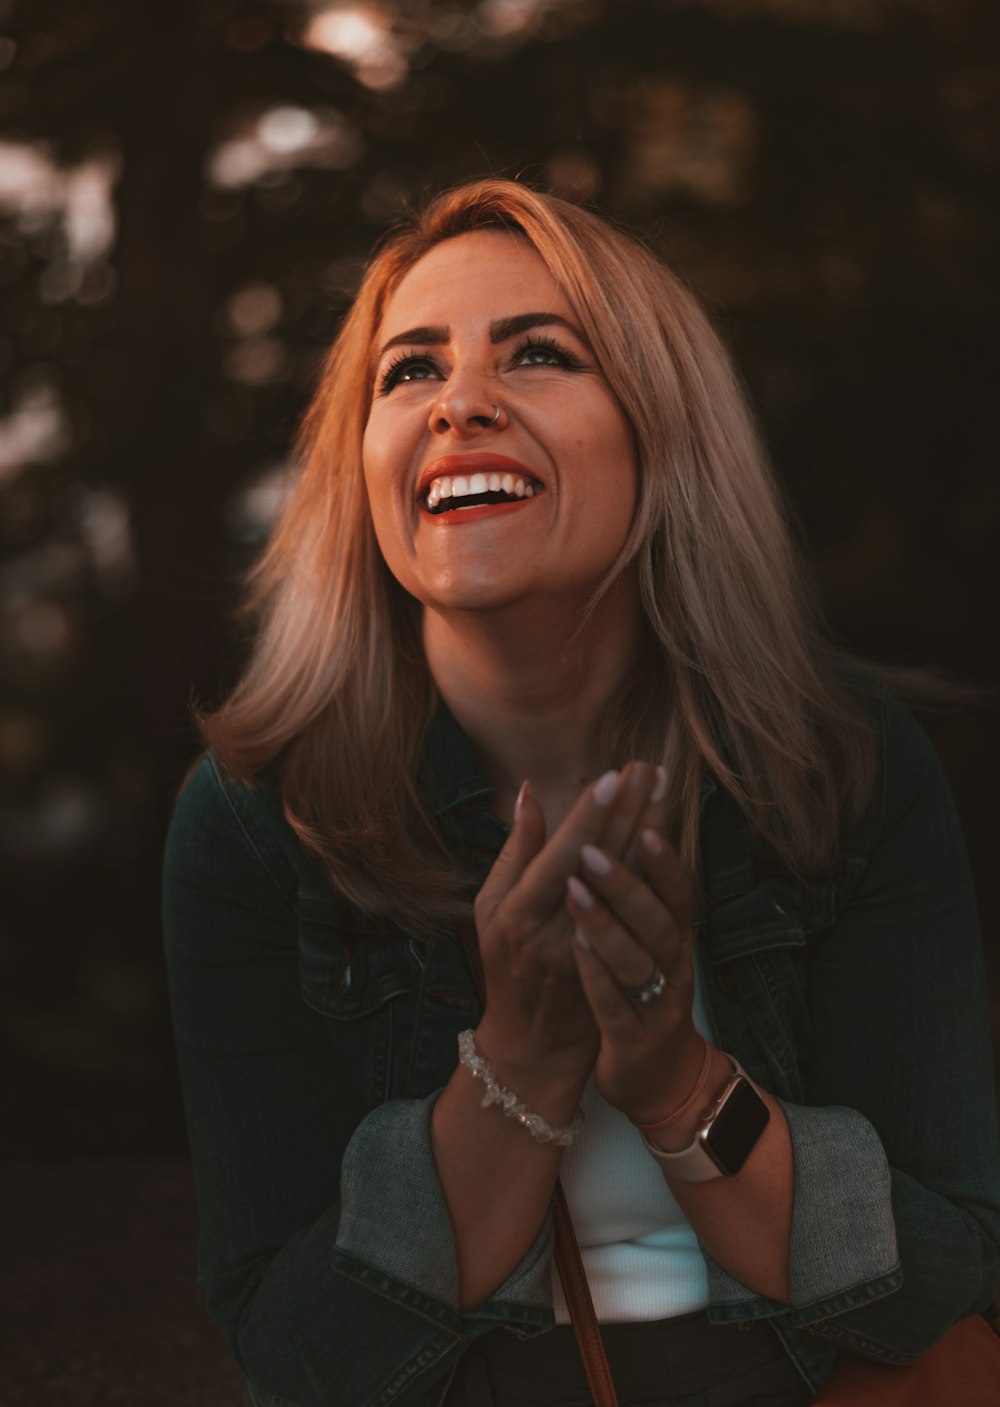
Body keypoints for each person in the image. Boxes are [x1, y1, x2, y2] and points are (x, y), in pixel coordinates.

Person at [162, 178, 1000, 1407]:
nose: (459, 404)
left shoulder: (838, 761)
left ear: (661, 430)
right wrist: (520, 1062)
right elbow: (291, 1345)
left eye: (538, 354)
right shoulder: (252, 813)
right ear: (362, 461)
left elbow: (945, 1272)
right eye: (407, 373)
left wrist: (674, 1080)